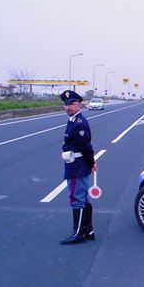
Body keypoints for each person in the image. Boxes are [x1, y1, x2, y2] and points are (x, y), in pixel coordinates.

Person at [59, 90, 97, 244]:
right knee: (82, 197)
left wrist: (91, 163)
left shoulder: (79, 123)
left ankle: (78, 233)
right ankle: (88, 229)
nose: (68, 107)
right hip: (76, 164)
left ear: (78, 104)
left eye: (71, 104)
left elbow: (86, 147)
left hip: (77, 165)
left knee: (77, 199)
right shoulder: (73, 121)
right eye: (66, 104)